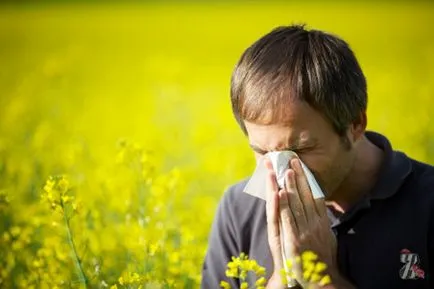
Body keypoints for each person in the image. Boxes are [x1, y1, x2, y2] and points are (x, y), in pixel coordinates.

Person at [200, 24, 434, 289]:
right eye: (262, 151)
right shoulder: (238, 210)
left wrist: (320, 279)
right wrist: (283, 278)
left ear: (355, 124)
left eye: (300, 150)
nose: (281, 174)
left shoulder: (427, 203)